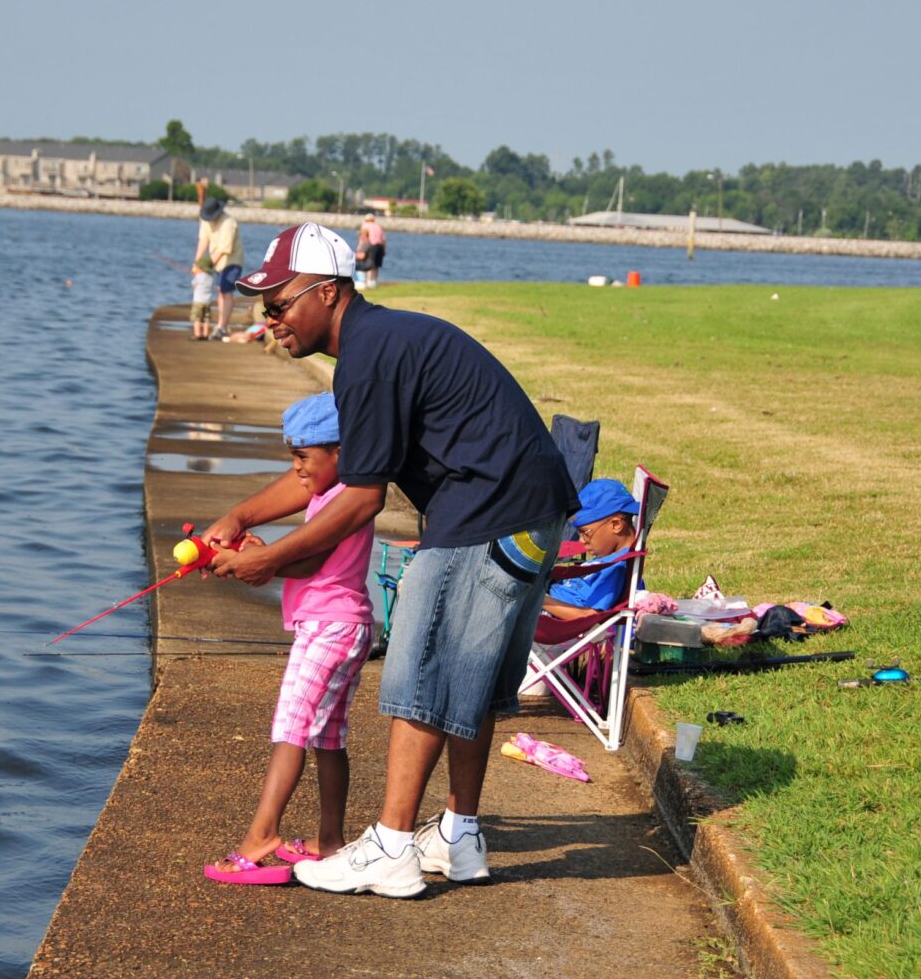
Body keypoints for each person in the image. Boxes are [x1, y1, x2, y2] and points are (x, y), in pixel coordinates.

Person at [203, 222, 577, 898]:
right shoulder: (381, 341)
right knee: (468, 679)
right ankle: (460, 836)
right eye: (264, 308)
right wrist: (243, 517)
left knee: (421, 665)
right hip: (532, 509)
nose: (271, 320)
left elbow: (361, 499)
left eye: (279, 304)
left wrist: (271, 560)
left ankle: (392, 847)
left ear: (327, 291)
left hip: (486, 508)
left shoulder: (368, 355)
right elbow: (338, 475)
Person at [203, 392, 377, 885]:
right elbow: (307, 558)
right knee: (327, 737)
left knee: (290, 729)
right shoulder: (334, 493)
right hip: (344, 625)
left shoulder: (344, 500)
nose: (296, 469)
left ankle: (261, 837)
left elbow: (311, 561)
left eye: (303, 456)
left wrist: (259, 562)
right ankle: (329, 841)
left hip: (329, 627)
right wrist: (262, 552)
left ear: (341, 452)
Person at [542, 479, 642, 620]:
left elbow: (588, 616)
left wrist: (538, 598)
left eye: (585, 532)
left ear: (616, 525)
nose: (581, 541)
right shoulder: (610, 557)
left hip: (546, 612)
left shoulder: (616, 568)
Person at [193, 196, 245, 338]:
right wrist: (197, 263)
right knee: (220, 292)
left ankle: (222, 327)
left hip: (232, 260)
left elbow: (224, 249)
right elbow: (203, 240)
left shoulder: (229, 223)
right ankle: (221, 325)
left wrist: (206, 266)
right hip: (217, 262)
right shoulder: (205, 220)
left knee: (226, 291)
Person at [356, 213, 386, 290]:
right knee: (376, 265)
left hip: (370, 246)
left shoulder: (365, 225)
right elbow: (384, 239)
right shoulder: (378, 226)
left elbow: (363, 237)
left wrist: (360, 249)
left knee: (368, 264)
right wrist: (383, 250)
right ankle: (373, 282)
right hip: (380, 246)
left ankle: (366, 282)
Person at [189, 257, 217, 340]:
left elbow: (193, 284)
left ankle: (197, 335)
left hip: (198, 301)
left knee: (197, 318)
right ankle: (205, 334)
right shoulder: (211, 277)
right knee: (206, 319)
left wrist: (195, 275)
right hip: (207, 301)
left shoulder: (198, 276)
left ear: (200, 268)